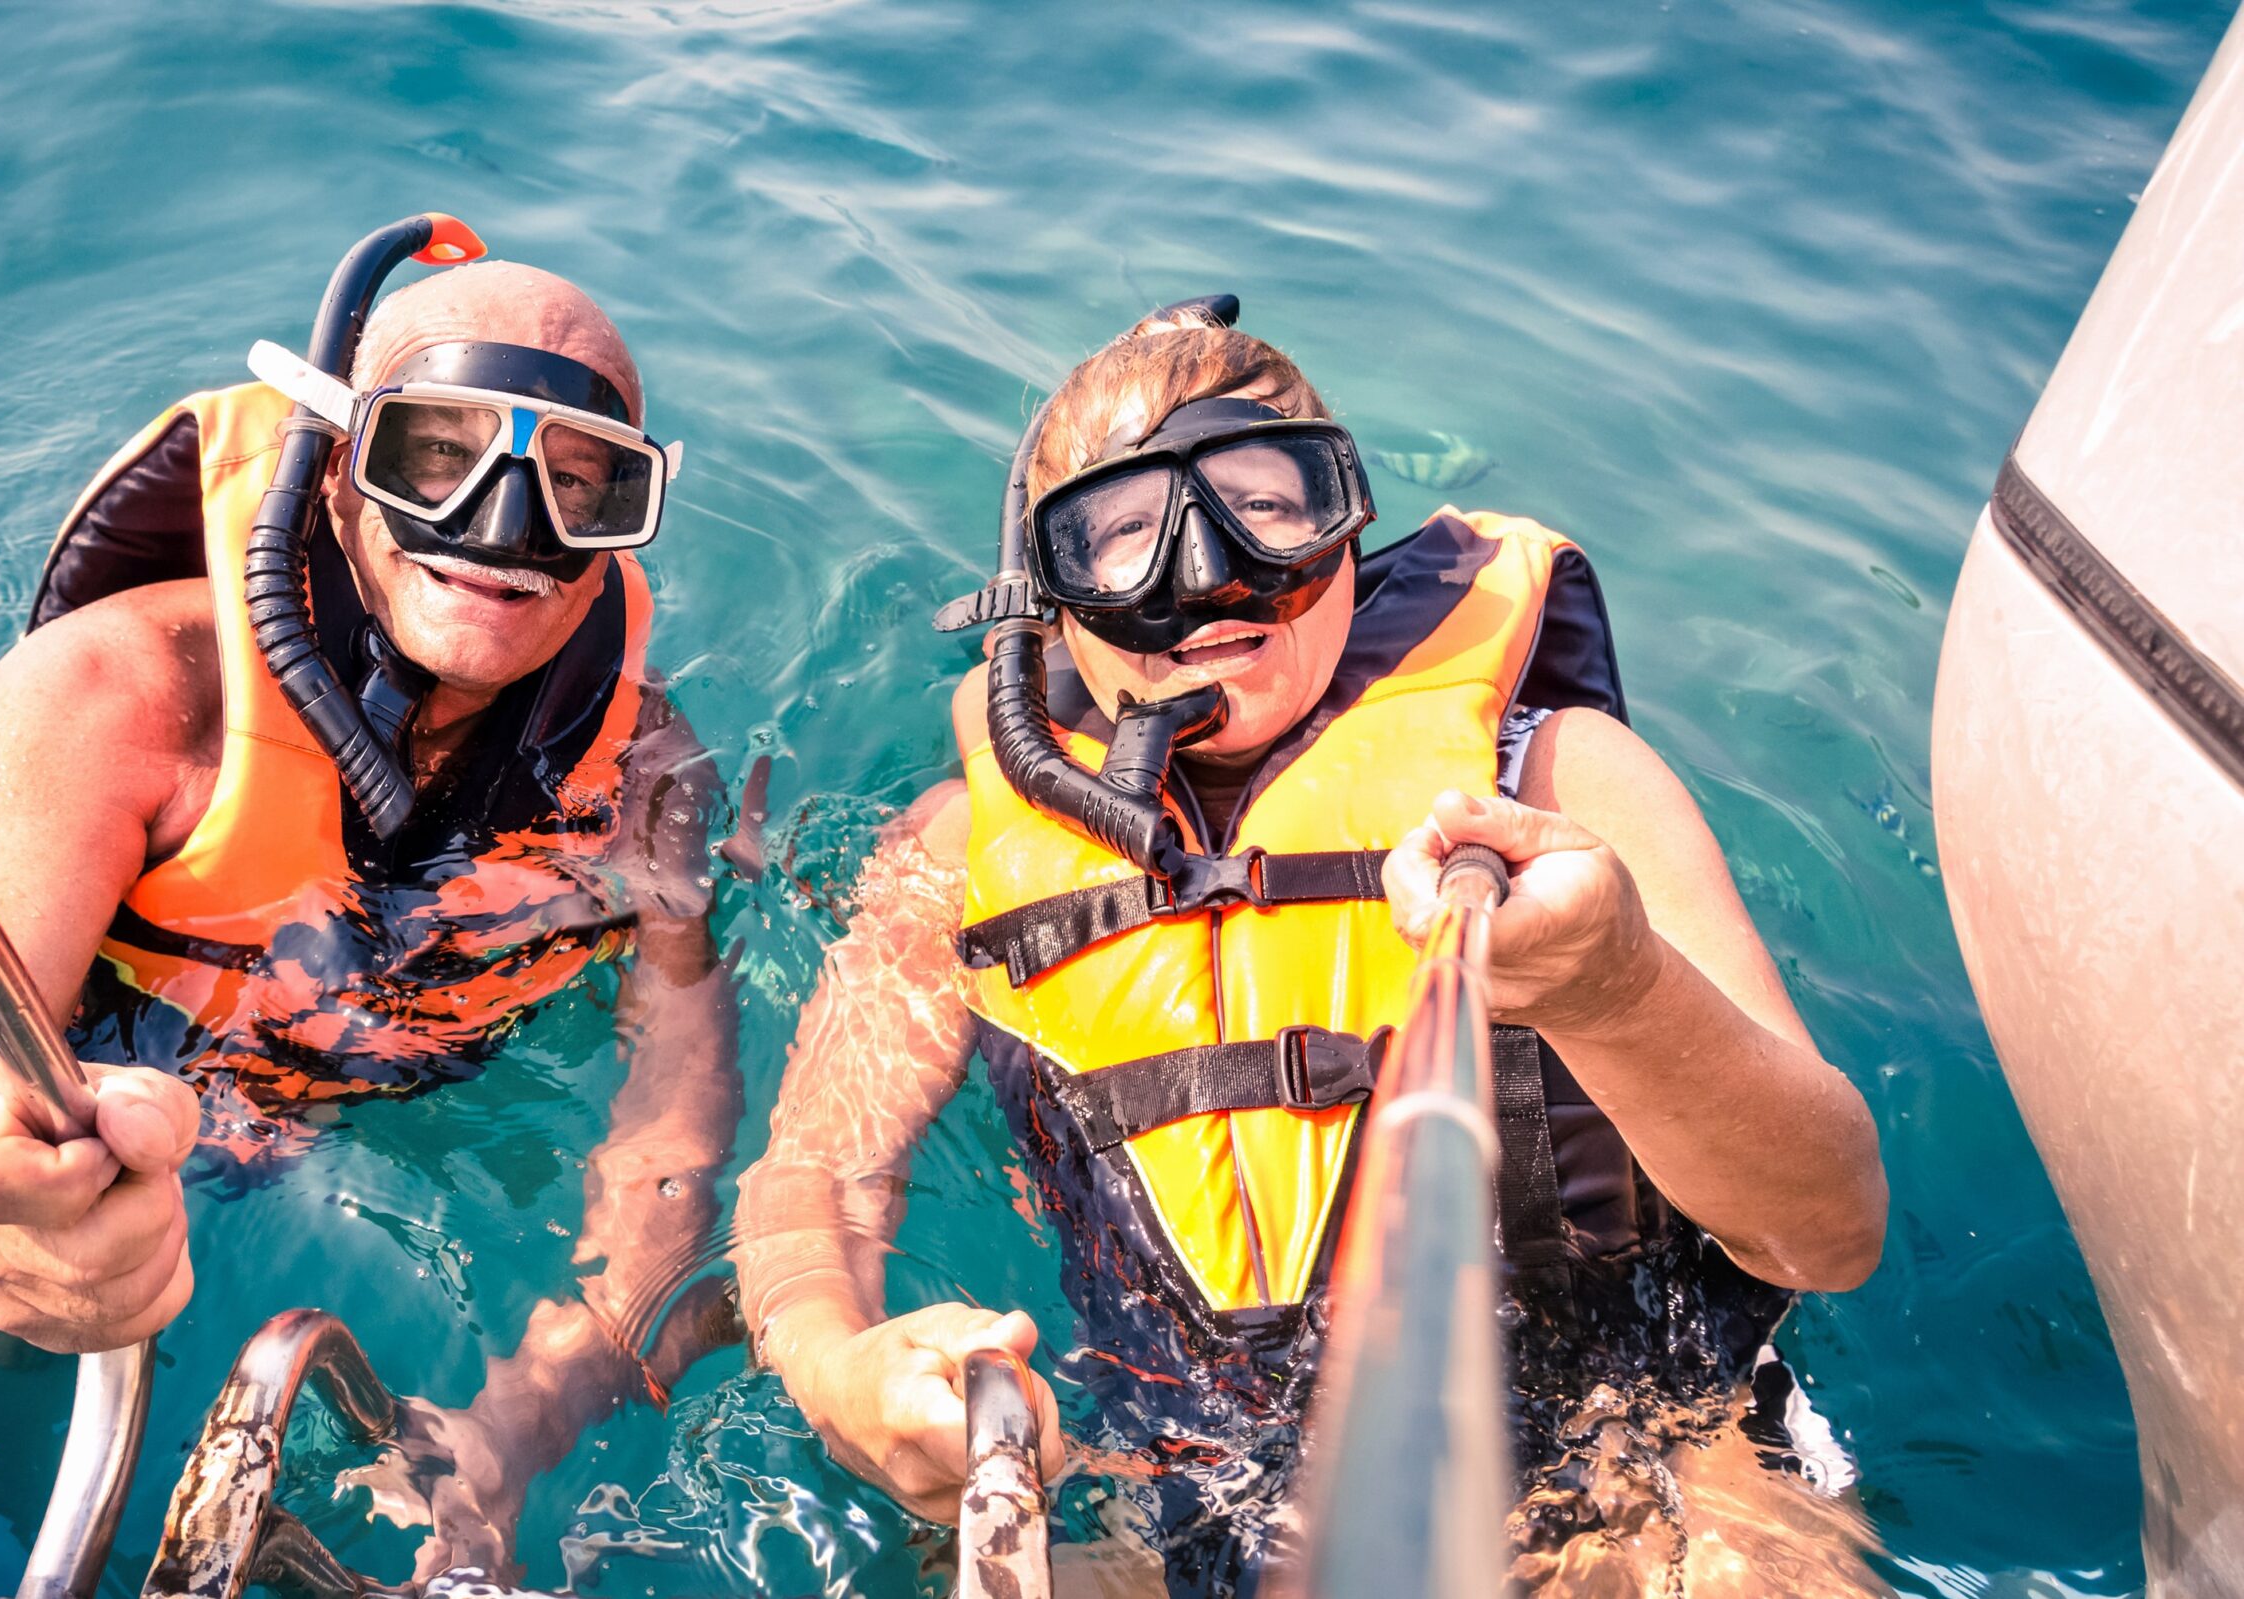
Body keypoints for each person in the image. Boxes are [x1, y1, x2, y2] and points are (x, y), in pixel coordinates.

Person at [733, 298, 1889, 1595]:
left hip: (1650, 1463)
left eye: (1265, 506)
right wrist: (846, 1377)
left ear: (1349, 524)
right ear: (1049, 609)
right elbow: (813, 1185)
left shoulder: (1560, 787)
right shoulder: (954, 860)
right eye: (1120, 539)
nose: (1209, 573)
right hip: (1190, 1490)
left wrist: (1621, 993)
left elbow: (1827, 1235)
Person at [0, 217, 741, 1574]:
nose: (502, 529)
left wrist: (526, 1418)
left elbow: (675, 1115)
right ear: (341, 456)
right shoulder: (121, 695)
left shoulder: (647, 775)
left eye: (581, 486)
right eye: (440, 452)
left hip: (254, 1114)